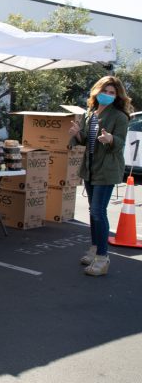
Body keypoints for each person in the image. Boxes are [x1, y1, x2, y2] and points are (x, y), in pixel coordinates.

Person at [68, 75, 131, 276]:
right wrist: (78, 134)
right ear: (97, 91)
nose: (108, 95)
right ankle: (95, 249)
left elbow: (120, 142)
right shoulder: (91, 114)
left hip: (107, 170)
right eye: (105, 91)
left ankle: (103, 258)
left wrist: (111, 139)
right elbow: (88, 140)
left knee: (98, 211)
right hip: (91, 168)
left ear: (117, 96)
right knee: (92, 212)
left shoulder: (120, 117)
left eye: (112, 93)